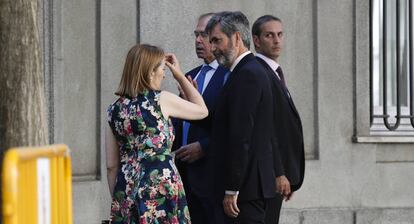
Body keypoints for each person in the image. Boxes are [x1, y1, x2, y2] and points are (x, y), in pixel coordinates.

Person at [105, 44, 208, 223]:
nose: (164, 73)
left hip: (127, 187)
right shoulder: (161, 100)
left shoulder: (114, 109)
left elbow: (111, 165)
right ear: (150, 71)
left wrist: (120, 198)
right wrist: (179, 74)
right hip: (161, 186)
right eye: (162, 68)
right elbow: (202, 111)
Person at [205, 11, 276, 223]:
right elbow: (222, 122)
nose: (213, 48)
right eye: (211, 41)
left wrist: (231, 188)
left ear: (236, 38)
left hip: (244, 192)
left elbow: (241, 136)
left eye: (217, 40)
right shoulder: (243, 72)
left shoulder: (248, 74)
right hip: (246, 190)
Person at [172, 13, 229, 224]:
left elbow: (233, 127)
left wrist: (204, 147)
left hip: (213, 176)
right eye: (196, 35)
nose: (198, 40)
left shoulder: (230, 76)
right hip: (185, 175)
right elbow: (179, 122)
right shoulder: (190, 75)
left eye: (204, 35)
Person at [252, 15, 305, 224]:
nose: (276, 40)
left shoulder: (273, 72)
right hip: (269, 176)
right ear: (256, 40)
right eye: (269, 35)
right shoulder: (260, 72)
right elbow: (266, 129)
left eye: (280, 34)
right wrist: (279, 173)